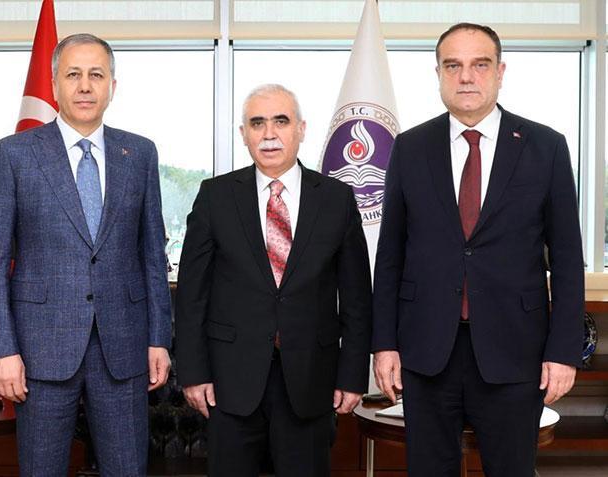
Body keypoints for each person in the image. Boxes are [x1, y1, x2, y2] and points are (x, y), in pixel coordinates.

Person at [372, 23, 583, 477]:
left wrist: (564, 351)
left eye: (479, 65)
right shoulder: (410, 148)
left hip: (515, 350)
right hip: (427, 350)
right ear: (438, 74)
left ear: (500, 72)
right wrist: (384, 344)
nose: (466, 76)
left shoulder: (545, 147)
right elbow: (390, 255)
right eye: (453, 65)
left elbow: (567, 259)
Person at [0, 33, 172, 477]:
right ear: (54, 84)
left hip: (123, 347)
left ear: (112, 86)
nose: (85, 86)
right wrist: (3, 350)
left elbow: (151, 255)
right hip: (39, 350)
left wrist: (159, 338)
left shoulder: (139, 153)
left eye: (96, 75)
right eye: (73, 75)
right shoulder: (15, 154)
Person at [175, 84, 373, 477]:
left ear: (301, 129)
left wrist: (352, 376)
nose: (269, 134)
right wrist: (193, 374)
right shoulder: (215, 196)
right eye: (257, 123)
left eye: (281, 121)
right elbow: (192, 295)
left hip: (311, 380)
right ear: (243, 134)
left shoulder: (336, 198)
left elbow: (356, 299)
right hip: (230, 382)